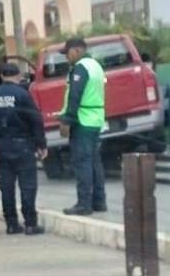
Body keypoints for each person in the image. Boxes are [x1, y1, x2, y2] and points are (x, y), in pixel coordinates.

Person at [0, 63, 47, 235]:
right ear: (18, 76)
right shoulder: (23, 94)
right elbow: (35, 120)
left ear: (2, 76)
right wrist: (41, 144)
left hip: (2, 146)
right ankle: (30, 223)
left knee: (7, 186)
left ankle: (11, 223)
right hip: (23, 145)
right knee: (28, 186)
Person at [57, 38, 107, 216]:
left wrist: (67, 120)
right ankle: (99, 202)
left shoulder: (81, 68)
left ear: (77, 50)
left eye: (68, 53)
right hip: (95, 120)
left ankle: (84, 204)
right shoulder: (96, 65)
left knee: (82, 163)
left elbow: (75, 96)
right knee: (94, 162)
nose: (66, 57)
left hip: (83, 121)